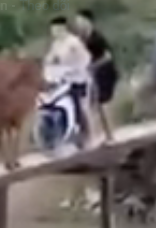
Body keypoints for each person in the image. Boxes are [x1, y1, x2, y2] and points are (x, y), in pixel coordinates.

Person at [44, 15, 92, 146]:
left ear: (63, 28)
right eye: (52, 30)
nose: (54, 32)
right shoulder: (56, 44)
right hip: (63, 80)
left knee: (78, 106)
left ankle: (85, 135)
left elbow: (86, 58)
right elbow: (50, 59)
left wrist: (75, 69)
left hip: (77, 79)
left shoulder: (73, 42)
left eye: (56, 29)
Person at [74, 9, 119, 143]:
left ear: (88, 22)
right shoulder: (81, 38)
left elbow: (108, 56)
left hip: (106, 72)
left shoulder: (97, 37)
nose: (78, 24)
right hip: (94, 74)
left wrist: (92, 66)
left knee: (103, 104)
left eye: (80, 21)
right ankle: (92, 135)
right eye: (77, 22)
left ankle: (110, 136)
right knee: (91, 104)